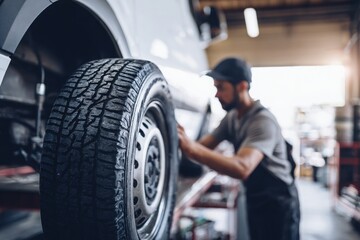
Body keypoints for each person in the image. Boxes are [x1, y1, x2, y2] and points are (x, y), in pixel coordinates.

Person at [177, 57, 300, 240]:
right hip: (256, 199)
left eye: (221, 87)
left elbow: (242, 167)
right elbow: (203, 146)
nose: (216, 94)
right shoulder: (232, 118)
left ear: (242, 86)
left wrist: (191, 148)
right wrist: (178, 140)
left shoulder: (262, 121)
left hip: (278, 203)